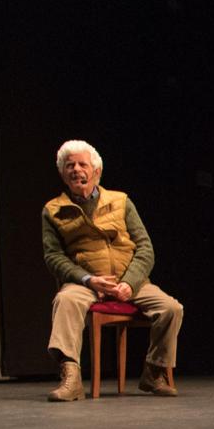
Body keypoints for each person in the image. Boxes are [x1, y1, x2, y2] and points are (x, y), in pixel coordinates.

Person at [41, 140, 183, 401]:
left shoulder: (121, 201)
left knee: (171, 308)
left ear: (96, 172)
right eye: (69, 165)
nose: (76, 170)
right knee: (65, 299)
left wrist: (129, 283)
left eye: (83, 164)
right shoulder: (53, 210)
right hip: (86, 283)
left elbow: (145, 248)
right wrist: (88, 279)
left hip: (129, 280)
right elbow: (53, 257)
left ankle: (153, 371)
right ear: (62, 173)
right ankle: (71, 377)